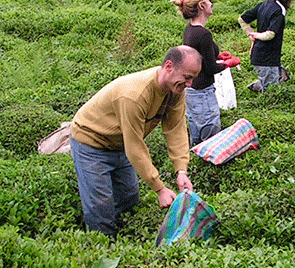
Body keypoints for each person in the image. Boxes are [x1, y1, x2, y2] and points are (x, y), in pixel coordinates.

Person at [69, 45, 202, 238]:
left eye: (192, 78)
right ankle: (101, 245)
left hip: (119, 144)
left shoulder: (176, 91)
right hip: (91, 143)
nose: (189, 84)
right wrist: (160, 189)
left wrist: (181, 170)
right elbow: (134, 146)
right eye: (187, 77)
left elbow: (176, 129)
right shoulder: (135, 95)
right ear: (169, 66)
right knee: (100, 206)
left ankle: (121, 236)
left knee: (129, 198)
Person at [171, 0, 240, 146]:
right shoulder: (204, 34)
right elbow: (209, 69)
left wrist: (218, 56)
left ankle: (193, 164)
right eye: (209, 1)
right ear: (202, 6)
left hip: (191, 91)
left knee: (196, 133)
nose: (211, 4)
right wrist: (228, 63)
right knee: (211, 138)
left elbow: (198, 57)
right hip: (204, 94)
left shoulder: (190, 30)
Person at [238, 0, 295, 92]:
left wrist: (250, 33)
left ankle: (259, 85)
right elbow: (270, 34)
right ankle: (257, 87)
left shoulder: (264, 4)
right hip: (266, 58)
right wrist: (255, 35)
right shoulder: (279, 11)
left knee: (282, 77)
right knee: (272, 91)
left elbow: (242, 19)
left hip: (260, 55)